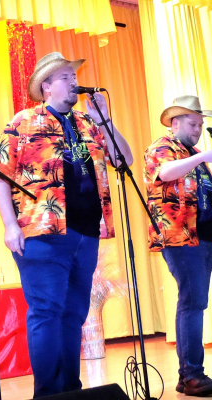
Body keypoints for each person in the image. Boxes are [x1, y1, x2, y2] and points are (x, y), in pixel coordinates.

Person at [0, 52, 133, 397]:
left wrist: (106, 121)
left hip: (87, 233)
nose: (73, 82)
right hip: (43, 233)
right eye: (65, 76)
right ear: (46, 85)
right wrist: (10, 225)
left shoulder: (88, 123)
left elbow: (123, 160)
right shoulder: (23, 122)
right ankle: (48, 393)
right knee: (47, 311)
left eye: (74, 76)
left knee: (74, 313)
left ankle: (71, 390)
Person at [144, 95, 212, 396]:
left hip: (204, 235)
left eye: (200, 125)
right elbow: (166, 173)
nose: (198, 130)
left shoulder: (194, 154)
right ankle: (191, 374)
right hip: (181, 236)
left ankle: (190, 375)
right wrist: (203, 157)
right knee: (192, 302)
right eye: (193, 124)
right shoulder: (163, 147)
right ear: (175, 123)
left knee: (195, 301)